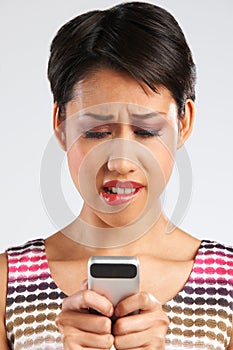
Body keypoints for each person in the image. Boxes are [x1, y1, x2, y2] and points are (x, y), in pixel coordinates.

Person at [0, 1, 232, 349]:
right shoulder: (7, 284)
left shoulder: (227, 286)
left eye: (147, 131)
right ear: (61, 126)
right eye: (96, 132)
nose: (121, 162)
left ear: (183, 124)